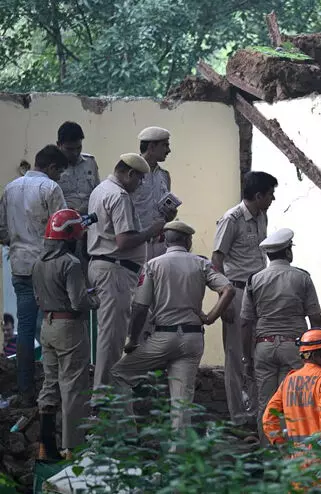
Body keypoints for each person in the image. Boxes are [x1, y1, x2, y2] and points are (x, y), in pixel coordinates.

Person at [110, 221, 234, 431]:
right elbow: (228, 289)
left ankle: (128, 435)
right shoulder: (201, 263)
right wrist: (210, 317)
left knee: (119, 374)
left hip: (163, 337)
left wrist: (133, 340)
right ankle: (179, 457)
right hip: (193, 338)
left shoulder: (153, 265)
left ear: (165, 241)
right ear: (188, 240)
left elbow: (140, 307)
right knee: (181, 404)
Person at [87, 153, 173, 392]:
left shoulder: (100, 189)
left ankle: (107, 396)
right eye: (140, 179)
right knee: (112, 340)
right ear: (129, 174)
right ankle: (105, 401)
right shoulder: (119, 196)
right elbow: (124, 241)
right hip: (115, 269)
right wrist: (152, 230)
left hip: (105, 266)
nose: (141, 184)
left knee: (109, 336)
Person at [0, 144, 68, 404]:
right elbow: (62, 228)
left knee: (26, 330)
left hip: (19, 266)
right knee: (54, 327)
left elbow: (2, 229)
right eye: (59, 171)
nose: (60, 176)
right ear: (51, 167)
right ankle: (57, 390)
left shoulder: (10, 188)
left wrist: (17, 243)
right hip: (48, 267)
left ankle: (25, 390)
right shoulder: (51, 188)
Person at [241, 228, 321, 441]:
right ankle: (295, 459)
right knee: (295, 402)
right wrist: (319, 351)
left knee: (266, 404)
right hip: (295, 348)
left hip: (263, 347)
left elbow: (246, 322)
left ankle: (270, 459)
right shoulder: (302, 278)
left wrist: (247, 357)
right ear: (288, 252)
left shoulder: (254, 280)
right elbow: (315, 319)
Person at [212, 171, 278, 425]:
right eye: (270, 194)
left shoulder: (262, 216)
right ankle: (238, 416)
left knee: (256, 353)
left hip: (259, 292)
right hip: (237, 291)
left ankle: (256, 412)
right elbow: (216, 260)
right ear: (258, 195)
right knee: (236, 355)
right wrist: (223, 298)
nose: (273, 199)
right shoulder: (231, 219)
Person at [33, 209, 99, 461]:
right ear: (70, 235)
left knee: (50, 384)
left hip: (47, 326)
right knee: (73, 386)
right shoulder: (69, 263)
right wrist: (96, 299)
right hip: (69, 329)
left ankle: (45, 447)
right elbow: (78, 302)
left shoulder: (39, 262)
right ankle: (72, 448)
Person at [261, 329, 321, 444]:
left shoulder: (289, 380)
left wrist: (280, 444)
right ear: (315, 354)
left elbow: (268, 417)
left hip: (297, 457)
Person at [133, 127, 175, 261]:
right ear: (151, 147)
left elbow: (164, 211)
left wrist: (170, 214)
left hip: (159, 243)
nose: (168, 150)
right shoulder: (131, 173)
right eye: (165, 145)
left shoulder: (164, 175)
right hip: (136, 243)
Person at [56, 121, 100, 216]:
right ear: (58, 145)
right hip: (63, 221)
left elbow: (97, 192)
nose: (75, 153)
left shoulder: (90, 162)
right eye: (70, 149)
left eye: (78, 148)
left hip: (90, 218)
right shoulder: (53, 167)